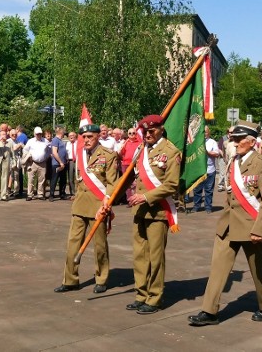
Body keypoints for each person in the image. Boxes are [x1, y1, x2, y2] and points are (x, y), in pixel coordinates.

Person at [188, 121, 262, 326]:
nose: (234, 142)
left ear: (251, 141)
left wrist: (260, 229)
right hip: (228, 224)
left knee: (258, 268)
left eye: (238, 139)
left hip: (250, 225)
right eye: (233, 138)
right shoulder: (233, 161)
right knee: (218, 268)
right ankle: (209, 311)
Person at [126, 114, 181, 315]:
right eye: (145, 131)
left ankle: (155, 297)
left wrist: (146, 196)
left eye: (152, 131)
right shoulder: (141, 150)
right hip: (139, 211)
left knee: (155, 257)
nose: (147, 134)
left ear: (161, 129)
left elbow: (172, 185)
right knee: (139, 256)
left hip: (157, 211)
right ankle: (141, 294)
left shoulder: (171, 152)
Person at [54, 124, 118, 294]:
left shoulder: (108, 155)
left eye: (90, 136)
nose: (87, 140)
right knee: (72, 245)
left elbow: (112, 183)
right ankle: (70, 280)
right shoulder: (80, 154)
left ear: (98, 136)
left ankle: (101, 278)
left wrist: (106, 202)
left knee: (100, 245)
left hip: (98, 206)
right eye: (84, 137)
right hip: (79, 205)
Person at [192, 126, 221, 214]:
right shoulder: (195, 141)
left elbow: (217, 154)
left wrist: (207, 152)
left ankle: (208, 207)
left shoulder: (212, 142)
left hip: (210, 170)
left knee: (209, 190)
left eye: (205, 132)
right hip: (198, 171)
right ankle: (196, 206)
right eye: (202, 132)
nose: (204, 134)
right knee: (197, 190)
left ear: (209, 133)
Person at [24, 127, 49, 200]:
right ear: (34, 134)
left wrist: (46, 157)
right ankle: (30, 194)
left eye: (40, 134)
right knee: (31, 179)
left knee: (42, 179)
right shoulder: (31, 141)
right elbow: (25, 150)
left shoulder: (45, 141)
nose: (39, 135)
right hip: (32, 162)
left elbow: (49, 150)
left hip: (42, 163)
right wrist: (28, 157)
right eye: (37, 134)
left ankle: (40, 194)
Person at [0, 130, 15, 201]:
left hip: (6, 162)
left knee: (5, 178)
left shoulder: (9, 143)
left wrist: (14, 162)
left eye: (5, 134)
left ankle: (3, 195)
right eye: (2, 134)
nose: (4, 135)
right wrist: (0, 140)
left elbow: (12, 153)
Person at [49, 126, 68, 201]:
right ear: (60, 131)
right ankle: (51, 194)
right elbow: (54, 152)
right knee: (54, 179)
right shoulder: (55, 140)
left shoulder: (61, 140)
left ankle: (62, 193)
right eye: (63, 131)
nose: (64, 132)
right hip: (57, 164)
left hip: (63, 163)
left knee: (63, 179)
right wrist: (60, 162)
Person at [65, 131, 77, 198]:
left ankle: (78, 193)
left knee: (78, 178)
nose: (71, 136)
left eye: (72, 135)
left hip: (77, 161)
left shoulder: (78, 143)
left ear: (75, 136)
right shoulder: (67, 144)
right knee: (70, 178)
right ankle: (72, 193)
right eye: (69, 136)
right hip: (70, 161)